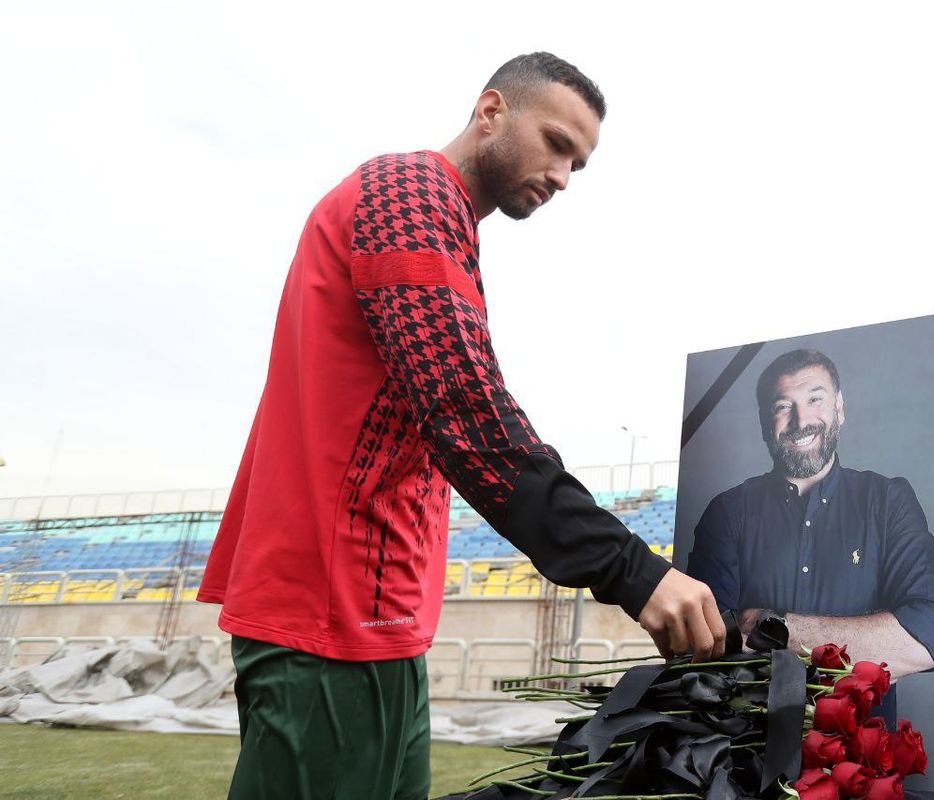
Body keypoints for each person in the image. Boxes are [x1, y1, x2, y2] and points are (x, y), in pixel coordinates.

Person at [197, 52, 724, 800]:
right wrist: (633, 572)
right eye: (556, 143)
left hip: (377, 614)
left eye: (579, 163)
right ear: (490, 111)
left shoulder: (441, 221)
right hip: (329, 607)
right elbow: (469, 417)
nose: (564, 176)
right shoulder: (407, 193)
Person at [686, 348, 934, 682]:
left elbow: (922, 639)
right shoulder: (726, 513)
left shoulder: (888, 501)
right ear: (765, 423)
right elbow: (709, 649)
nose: (801, 421)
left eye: (815, 400)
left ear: (839, 409)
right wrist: (870, 642)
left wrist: (771, 624)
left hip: (859, 733)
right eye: (783, 406)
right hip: (749, 734)